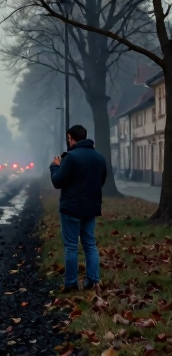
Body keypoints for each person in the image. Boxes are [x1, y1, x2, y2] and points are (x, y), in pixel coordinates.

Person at [50, 124, 106, 293]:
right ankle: (93, 280)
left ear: (70, 138)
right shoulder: (99, 157)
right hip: (91, 207)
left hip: (71, 208)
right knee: (90, 244)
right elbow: (101, 181)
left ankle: (71, 283)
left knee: (71, 246)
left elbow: (57, 181)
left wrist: (55, 166)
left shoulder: (71, 158)